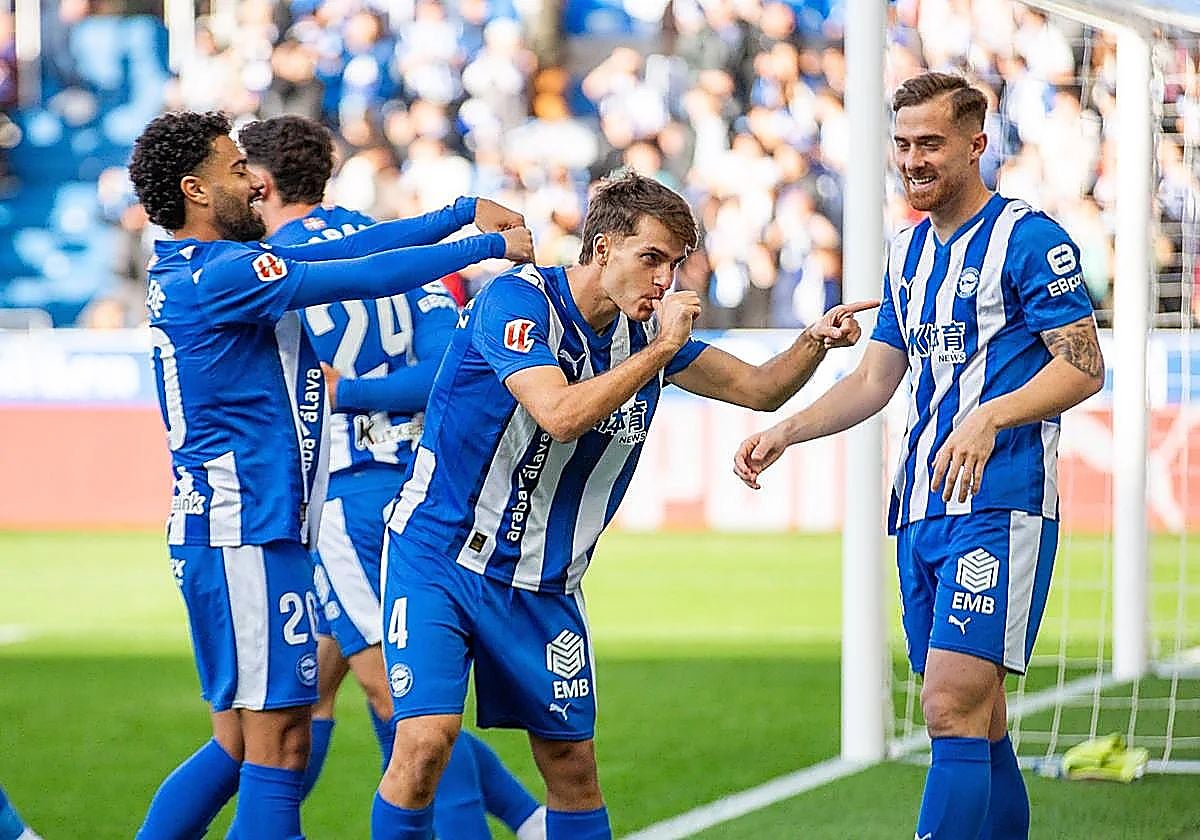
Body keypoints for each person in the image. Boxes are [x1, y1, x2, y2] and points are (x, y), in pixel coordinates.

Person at [370, 169, 878, 840]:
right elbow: (558, 414)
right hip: (441, 555)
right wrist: (665, 348)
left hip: (544, 582)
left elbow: (760, 390)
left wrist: (815, 340)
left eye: (674, 265)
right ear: (602, 248)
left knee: (572, 768)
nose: (665, 280)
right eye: (652, 259)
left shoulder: (641, 338)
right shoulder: (518, 303)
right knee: (426, 744)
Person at [128, 109, 532, 840]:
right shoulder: (222, 273)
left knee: (244, 743)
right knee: (280, 740)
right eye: (233, 168)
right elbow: (367, 269)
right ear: (194, 189)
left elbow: (362, 251)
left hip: (254, 528)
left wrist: (459, 216)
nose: (252, 181)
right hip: (246, 528)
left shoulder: (204, 270)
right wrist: (482, 243)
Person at [733, 72, 1105, 840]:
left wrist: (991, 416)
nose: (912, 159)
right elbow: (876, 377)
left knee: (947, 707)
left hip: (1001, 506)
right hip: (919, 510)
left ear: (977, 144)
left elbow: (1083, 365)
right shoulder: (905, 252)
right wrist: (786, 430)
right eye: (901, 144)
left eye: (930, 143)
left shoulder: (1029, 239)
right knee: (981, 720)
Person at [238, 114, 546, 839]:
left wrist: (348, 392)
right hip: (422, 487)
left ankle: (498, 822)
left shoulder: (269, 264)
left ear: (264, 182)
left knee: (400, 699)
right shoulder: (386, 241)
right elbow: (450, 363)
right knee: (300, 697)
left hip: (341, 497)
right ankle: (528, 819)